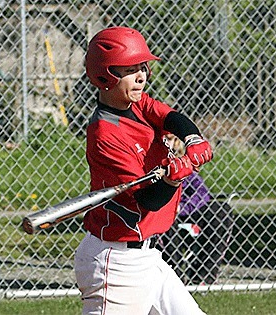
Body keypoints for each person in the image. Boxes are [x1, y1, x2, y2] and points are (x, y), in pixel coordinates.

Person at [74, 26, 212, 315]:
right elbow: (147, 201)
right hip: (116, 263)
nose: (141, 77)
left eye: (142, 67)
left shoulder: (136, 104)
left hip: (148, 258)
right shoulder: (104, 134)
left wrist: (193, 139)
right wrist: (174, 179)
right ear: (105, 75)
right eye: (129, 70)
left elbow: (170, 117)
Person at [161, 135, 233, 285]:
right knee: (163, 219)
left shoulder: (182, 163)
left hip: (184, 209)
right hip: (162, 209)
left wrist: (182, 207)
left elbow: (202, 193)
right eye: (164, 139)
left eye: (171, 139)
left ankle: (203, 275)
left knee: (221, 211)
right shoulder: (149, 162)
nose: (168, 143)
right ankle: (175, 276)